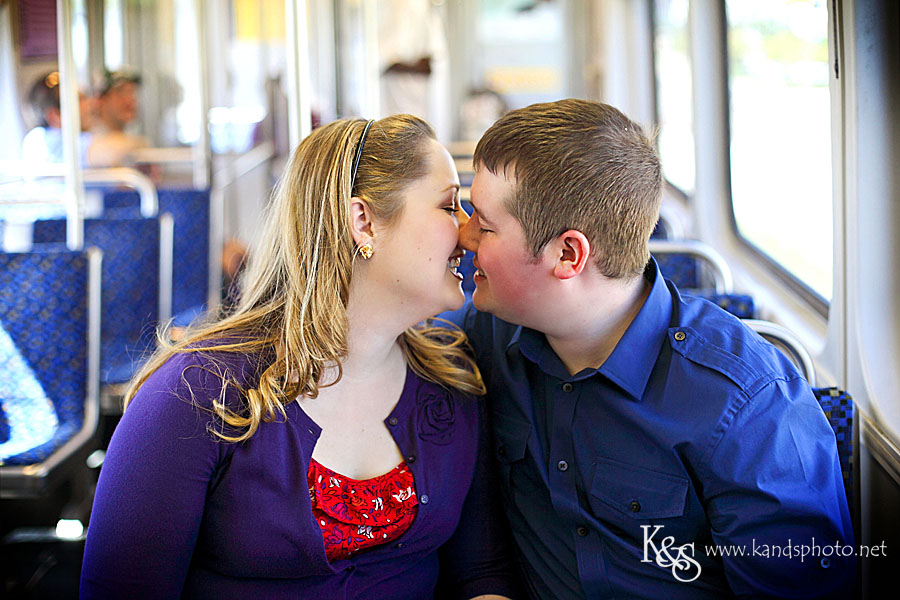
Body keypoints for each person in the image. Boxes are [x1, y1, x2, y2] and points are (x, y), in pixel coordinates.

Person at [81, 115, 519, 599]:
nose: (467, 233)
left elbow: (480, 572)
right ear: (363, 222)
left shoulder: (451, 379)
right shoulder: (197, 393)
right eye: (448, 205)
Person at [448, 99, 855, 599]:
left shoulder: (748, 407)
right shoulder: (490, 334)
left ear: (568, 255)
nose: (463, 236)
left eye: (485, 226)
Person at [20, 70, 96, 166]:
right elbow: (109, 151)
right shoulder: (42, 140)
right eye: (79, 100)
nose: (91, 104)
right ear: (55, 116)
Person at [87, 69, 148, 167]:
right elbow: (104, 153)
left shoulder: (129, 140)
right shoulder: (89, 140)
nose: (130, 99)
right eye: (121, 92)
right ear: (99, 100)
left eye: (132, 92)